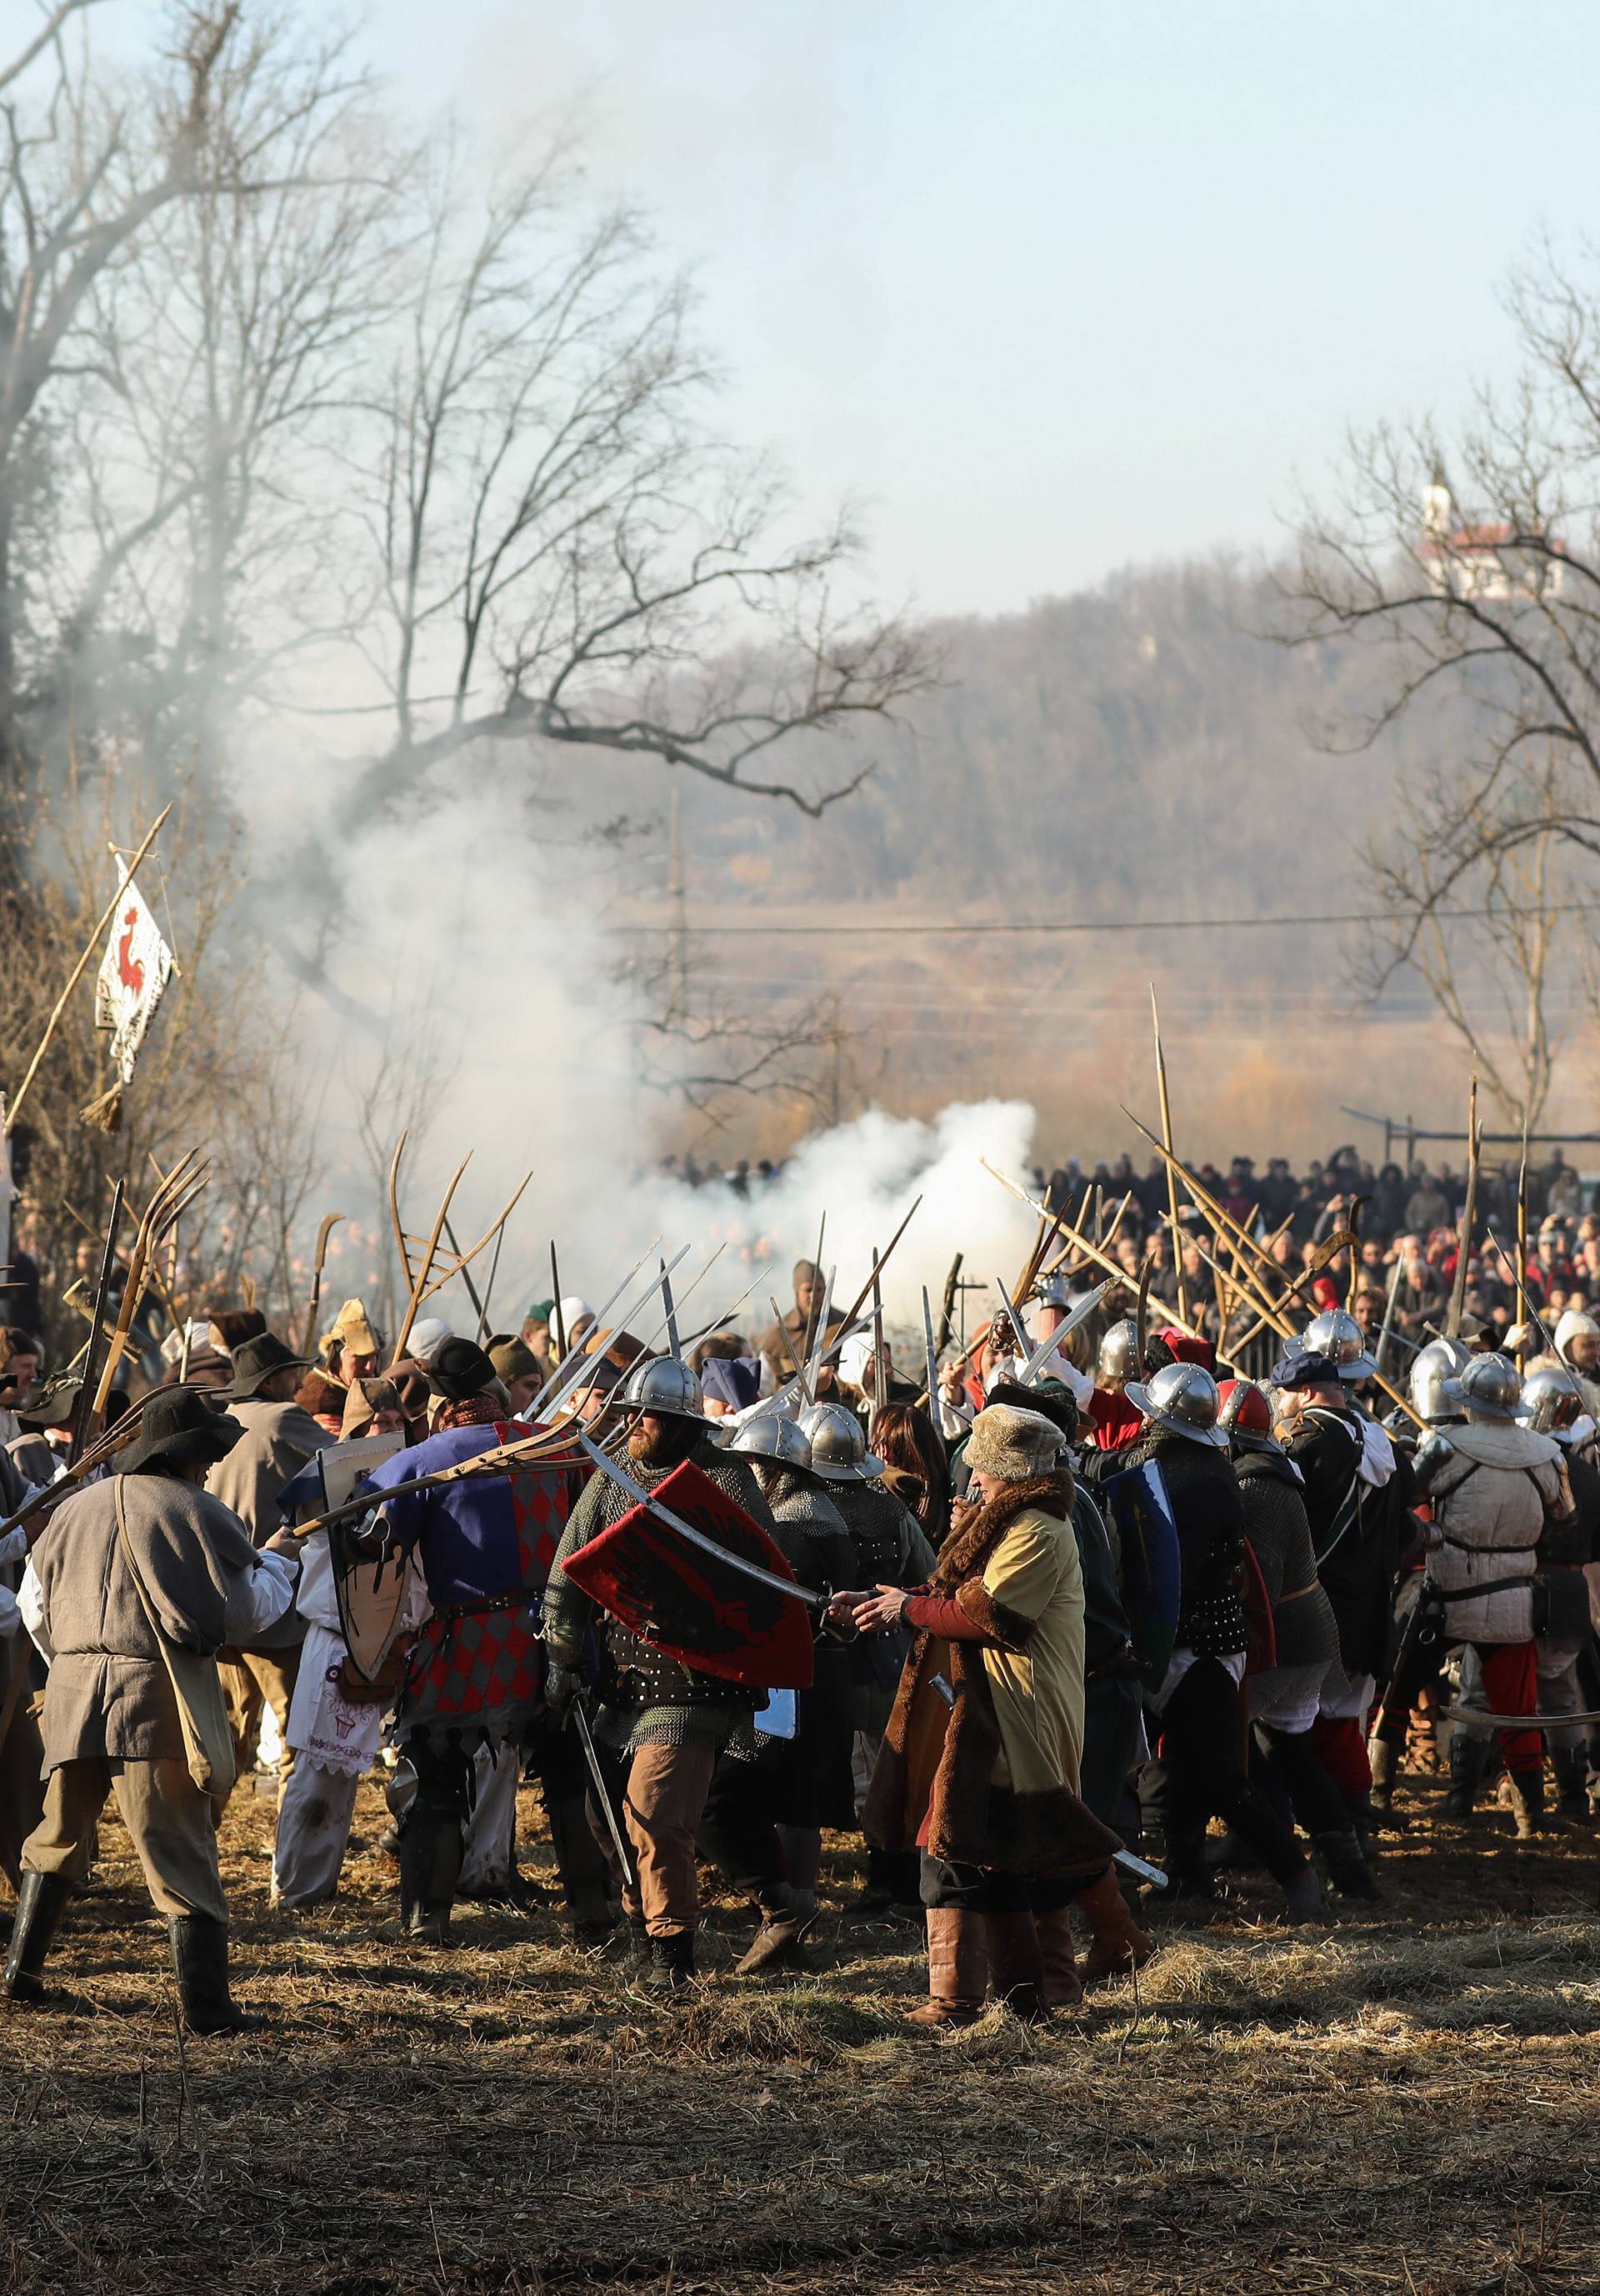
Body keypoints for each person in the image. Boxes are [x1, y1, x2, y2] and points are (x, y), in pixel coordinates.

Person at [6, 1391, 296, 2031]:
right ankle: (210, 2011)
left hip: (73, 1697)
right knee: (181, 1850)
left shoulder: (68, 1511)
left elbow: (35, 1610)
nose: (212, 1469)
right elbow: (249, 1611)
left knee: (55, 1839)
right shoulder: (198, 1512)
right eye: (207, 1457)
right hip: (154, 1702)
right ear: (190, 1457)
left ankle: (21, 1974)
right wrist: (281, 1558)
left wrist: (78, 1665)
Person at [856, 1402, 1123, 2025]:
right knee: (993, 1850)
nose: (974, 1478)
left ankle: (958, 2001)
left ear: (1009, 1471)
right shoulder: (1004, 1521)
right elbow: (950, 1594)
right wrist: (879, 1603)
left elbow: (987, 1616)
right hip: (987, 1707)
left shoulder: (1037, 1528)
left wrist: (906, 1611)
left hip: (1018, 1708)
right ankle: (1029, 1998)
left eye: (983, 1468)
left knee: (952, 1846)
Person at [543, 1355, 782, 1992]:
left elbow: (764, 1580)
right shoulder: (612, 1476)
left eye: (646, 1415)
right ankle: (639, 1927)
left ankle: (673, 1954)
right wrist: (561, 1657)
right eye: (629, 1413)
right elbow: (567, 1573)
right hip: (623, 1675)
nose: (633, 1425)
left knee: (656, 1811)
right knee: (605, 1814)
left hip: (697, 1676)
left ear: (680, 1422)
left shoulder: (725, 1479)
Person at [363, 1335, 610, 1943]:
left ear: (444, 1406)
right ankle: (594, 1914)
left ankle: (429, 1919)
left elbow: (370, 1532)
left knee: (432, 1769)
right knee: (570, 1771)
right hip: (557, 1636)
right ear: (493, 1392)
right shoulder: (556, 1443)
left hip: (468, 1644)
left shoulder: (426, 1459)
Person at [1104, 1361, 1321, 1918]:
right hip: (1195, 1637)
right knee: (1178, 1762)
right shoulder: (1212, 1465)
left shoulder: (1179, 1473)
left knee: (1219, 1774)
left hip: (1197, 1642)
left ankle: (1298, 1875)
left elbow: (1162, 1554)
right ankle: (1187, 1871)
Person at [698, 1413, 858, 1973]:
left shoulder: (792, 1521)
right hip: (821, 1675)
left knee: (773, 1800)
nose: (745, 1475)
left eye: (752, 1466)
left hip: (796, 1677)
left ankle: (787, 1920)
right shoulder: (823, 1511)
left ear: (774, 1469)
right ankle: (791, 1926)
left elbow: (773, 1608)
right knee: (797, 1804)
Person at [1394, 1353, 1574, 1834]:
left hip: (1447, 1592)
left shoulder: (1444, 1446)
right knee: (1518, 1708)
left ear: (1469, 1403)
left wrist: (1429, 1533)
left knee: (1399, 1689)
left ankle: (1374, 1792)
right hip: (1514, 1595)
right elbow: (1564, 1514)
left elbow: (1407, 1496)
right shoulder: (1547, 1452)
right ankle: (1530, 1812)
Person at [1218, 1380, 1376, 1901]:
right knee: (1288, 1753)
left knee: (1220, 1745)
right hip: (1308, 1631)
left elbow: (1259, 1581)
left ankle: (1263, 1844)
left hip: (1286, 1635)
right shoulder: (1277, 1473)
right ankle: (1348, 1868)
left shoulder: (1255, 1489)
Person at [798, 1398, 938, 1914]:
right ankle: (893, 1880)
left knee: (868, 1774)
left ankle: (890, 1884)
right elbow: (930, 1568)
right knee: (888, 1768)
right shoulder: (891, 1507)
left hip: (838, 1660)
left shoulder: (808, 1511)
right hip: (892, 1649)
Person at [206, 1331, 332, 1800]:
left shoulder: (220, 1421)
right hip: (273, 1601)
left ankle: (202, 1836)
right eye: (291, 1373)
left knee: (227, 1742)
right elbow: (346, 1464)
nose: (299, 1382)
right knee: (299, 1734)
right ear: (274, 1379)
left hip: (221, 1602)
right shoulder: (283, 1417)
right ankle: (298, 1836)